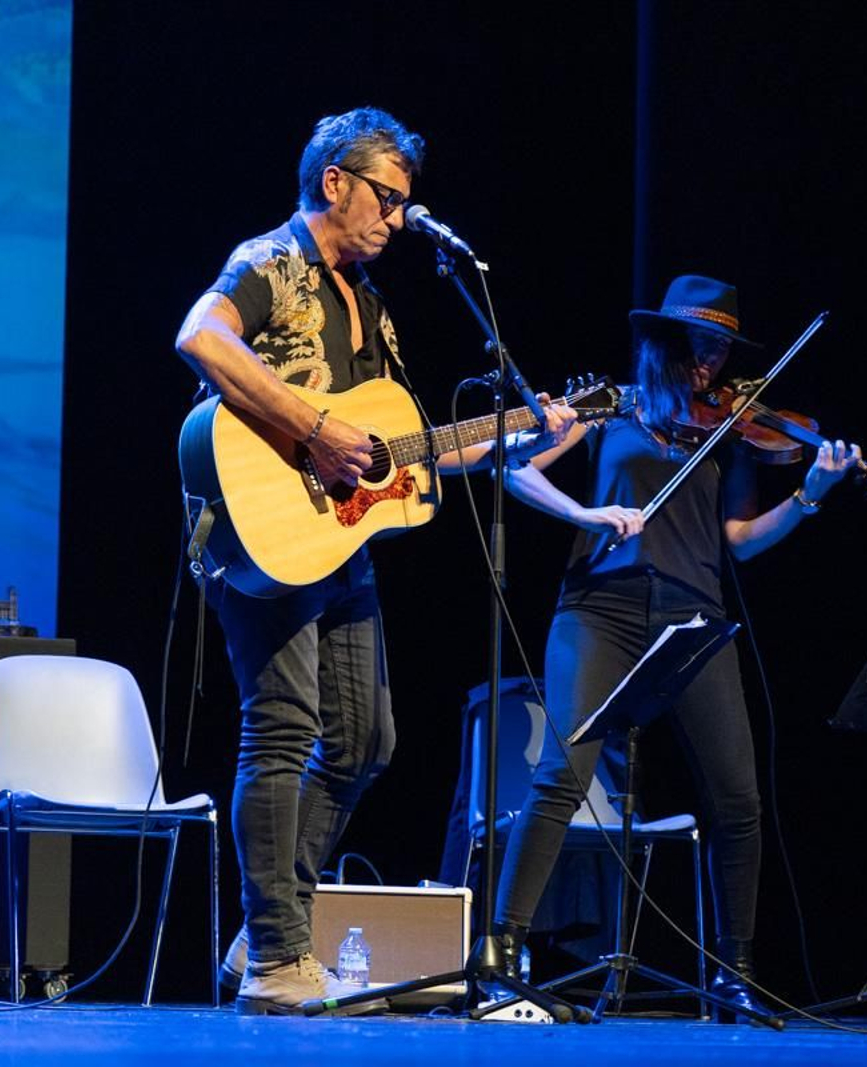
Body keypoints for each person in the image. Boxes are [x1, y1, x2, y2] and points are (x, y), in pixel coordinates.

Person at [175, 106, 575, 1015]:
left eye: (403, 203)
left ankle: (265, 924)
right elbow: (200, 335)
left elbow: (402, 449)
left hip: (338, 543)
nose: (397, 218)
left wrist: (524, 434)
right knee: (281, 729)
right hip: (261, 530)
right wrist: (314, 427)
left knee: (364, 741)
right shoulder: (270, 262)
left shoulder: (374, 304)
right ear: (335, 182)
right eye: (387, 198)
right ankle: (279, 956)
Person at [488, 275, 861, 1019]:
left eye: (721, 351)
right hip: (600, 610)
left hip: (693, 620)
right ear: (663, 342)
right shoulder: (612, 406)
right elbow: (514, 466)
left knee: (738, 797)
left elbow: (740, 541)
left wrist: (811, 495)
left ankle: (734, 973)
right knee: (562, 775)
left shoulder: (731, 429)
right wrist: (586, 514)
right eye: (699, 346)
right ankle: (501, 952)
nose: (710, 364)